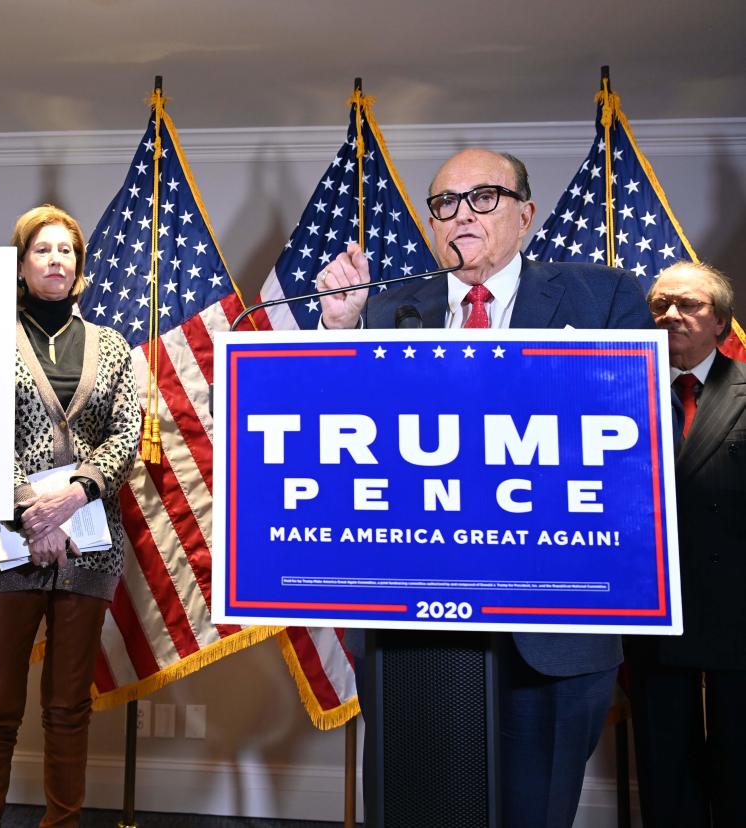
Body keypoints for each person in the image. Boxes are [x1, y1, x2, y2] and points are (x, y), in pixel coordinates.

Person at [317, 148, 653, 827]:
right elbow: (331, 444)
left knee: (535, 811)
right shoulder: (381, 312)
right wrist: (338, 330)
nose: (460, 214)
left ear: (525, 214)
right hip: (411, 628)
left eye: (483, 198)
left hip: (552, 628)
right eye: (444, 203)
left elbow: (628, 440)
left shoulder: (603, 297)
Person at [0, 204, 141, 827]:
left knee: (68, 707)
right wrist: (29, 510)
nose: (55, 260)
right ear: (20, 262)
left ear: (80, 267)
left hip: (91, 544)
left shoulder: (111, 346)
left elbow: (125, 436)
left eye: (66, 251)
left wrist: (72, 498)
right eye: (42, 250)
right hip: (6, 543)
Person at [626, 261, 746, 827]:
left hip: (738, 607)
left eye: (690, 304)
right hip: (653, 608)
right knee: (664, 769)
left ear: (721, 321)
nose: (671, 314)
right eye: (660, 304)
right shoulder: (620, 390)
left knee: (740, 766)